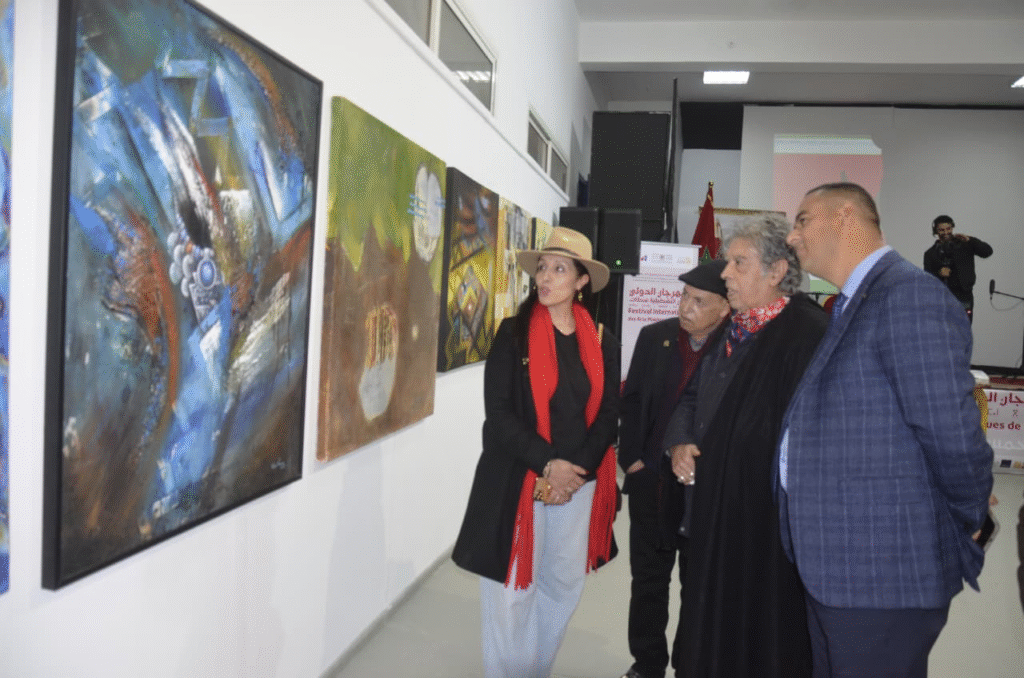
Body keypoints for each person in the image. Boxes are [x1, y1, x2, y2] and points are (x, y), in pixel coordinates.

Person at [782, 183, 994, 678]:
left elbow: (950, 430)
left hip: (881, 571)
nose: (792, 237)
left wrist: (970, 517)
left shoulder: (907, 295)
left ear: (845, 217)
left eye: (803, 220)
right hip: (840, 566)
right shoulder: (859, 300)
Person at [663, 214, 827, 678]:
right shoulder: (735, 327)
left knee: (755, 640)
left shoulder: (808, 335)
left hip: (762, 529)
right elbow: (693, 397)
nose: (726, 274)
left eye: (739, 263)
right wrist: (680, 441)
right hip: (713, 514)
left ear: (777, 271)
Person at [452, 226, 620, 678]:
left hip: (577, 484)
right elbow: (499, 414)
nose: (545, 277)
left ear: (582, 281)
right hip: (520, 478)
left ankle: (534, 669)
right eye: (542, 267)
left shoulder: (603, 340)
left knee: (563, 585)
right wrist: (548, 464)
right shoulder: (513, 334)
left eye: (559, 269)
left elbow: (608, 414)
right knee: (512, 590)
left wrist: (573, 472)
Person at [618, 260, 731, 678]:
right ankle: (646, 664)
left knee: (697, 587)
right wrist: (632, 460)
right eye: (684, 296)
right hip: (652, 483)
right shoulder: (656, 337)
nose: (685, 307)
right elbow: (632, 401)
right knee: (648, 581)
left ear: (725, 307)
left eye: (699, 301)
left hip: (704, 494)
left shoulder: (736, 347)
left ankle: (689, 665)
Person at [922, 214, 992, 323]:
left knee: (963, 330)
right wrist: (939, 273)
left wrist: (971, 240)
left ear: (952, 227)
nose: (946, 232)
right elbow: (927, 280)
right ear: (935, 231)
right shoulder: (930, 254)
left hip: (964, 296)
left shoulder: (965, 244)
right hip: (941, 299)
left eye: (948, 229)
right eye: (941, 230)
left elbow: (987, 252)